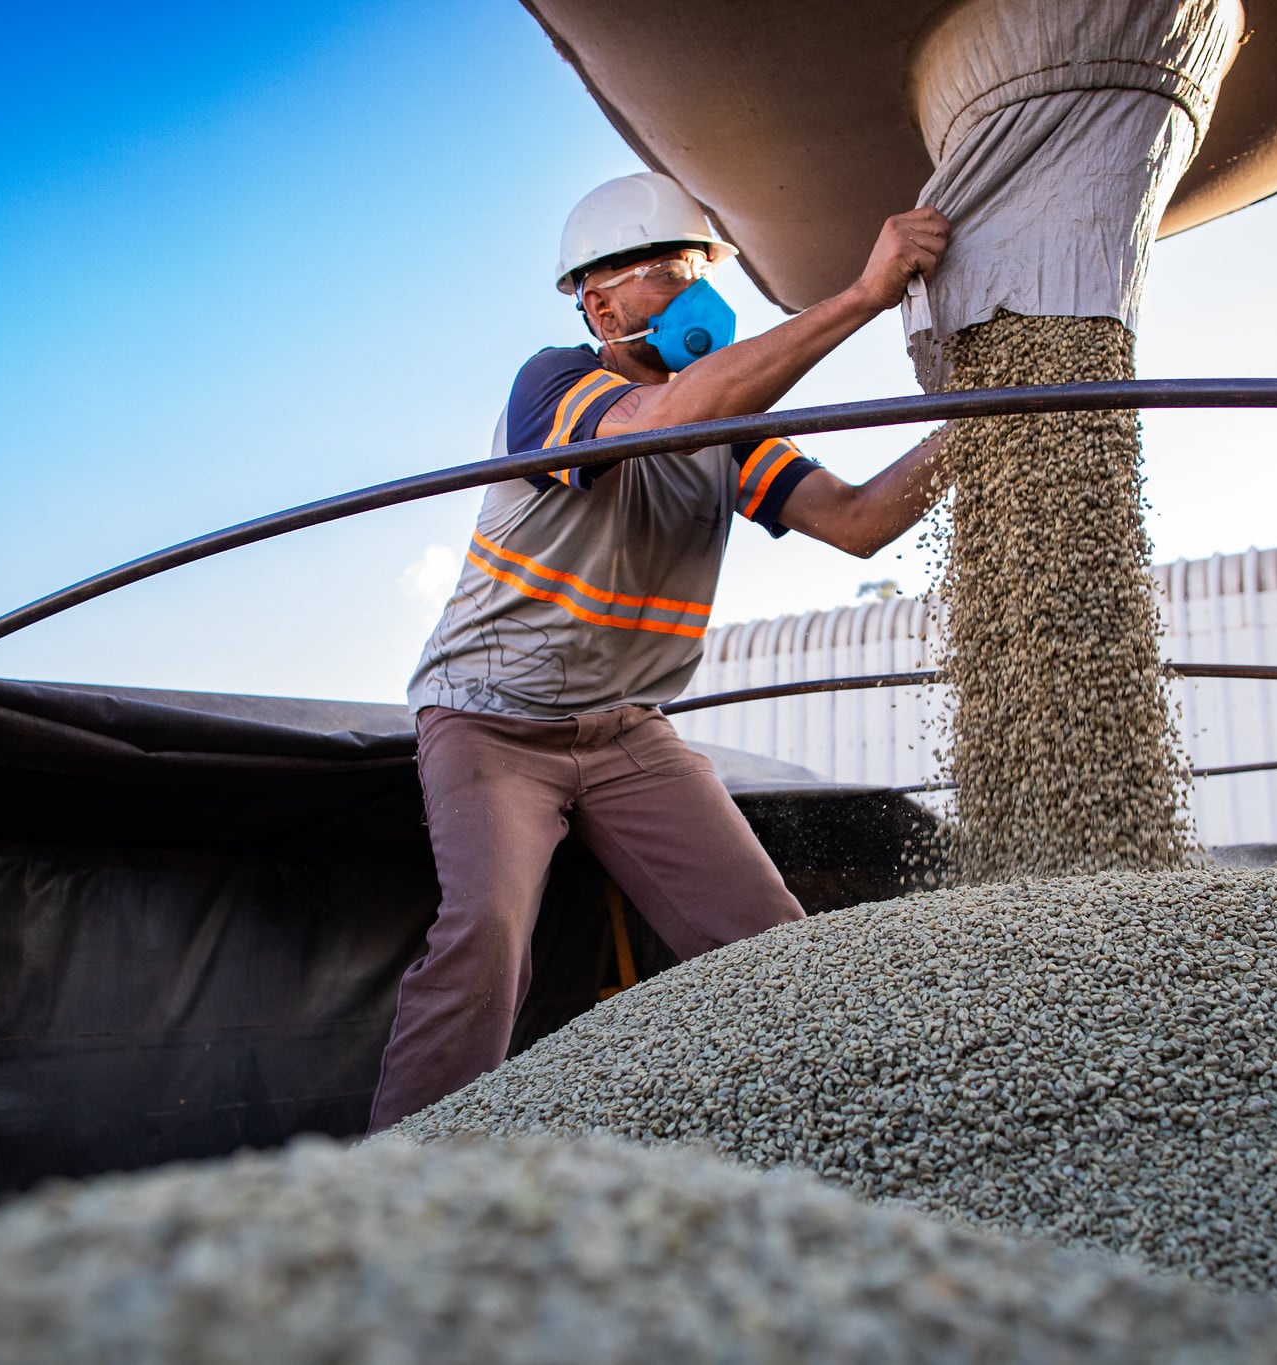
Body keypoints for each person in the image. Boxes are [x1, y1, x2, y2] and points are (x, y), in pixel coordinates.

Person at [371, 172, 951, 1128]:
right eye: (670, 274)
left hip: (627, 733)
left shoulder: (728, 428)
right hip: (491, 720)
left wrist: (979, 427)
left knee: (768, 941)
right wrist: (859, 297)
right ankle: (402, 1175)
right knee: (486, 936)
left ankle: (836, 1128)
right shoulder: (556, 384)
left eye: (702, 269)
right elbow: (653, 426)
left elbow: (857, 521)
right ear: (602, 304)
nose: (697, 293)